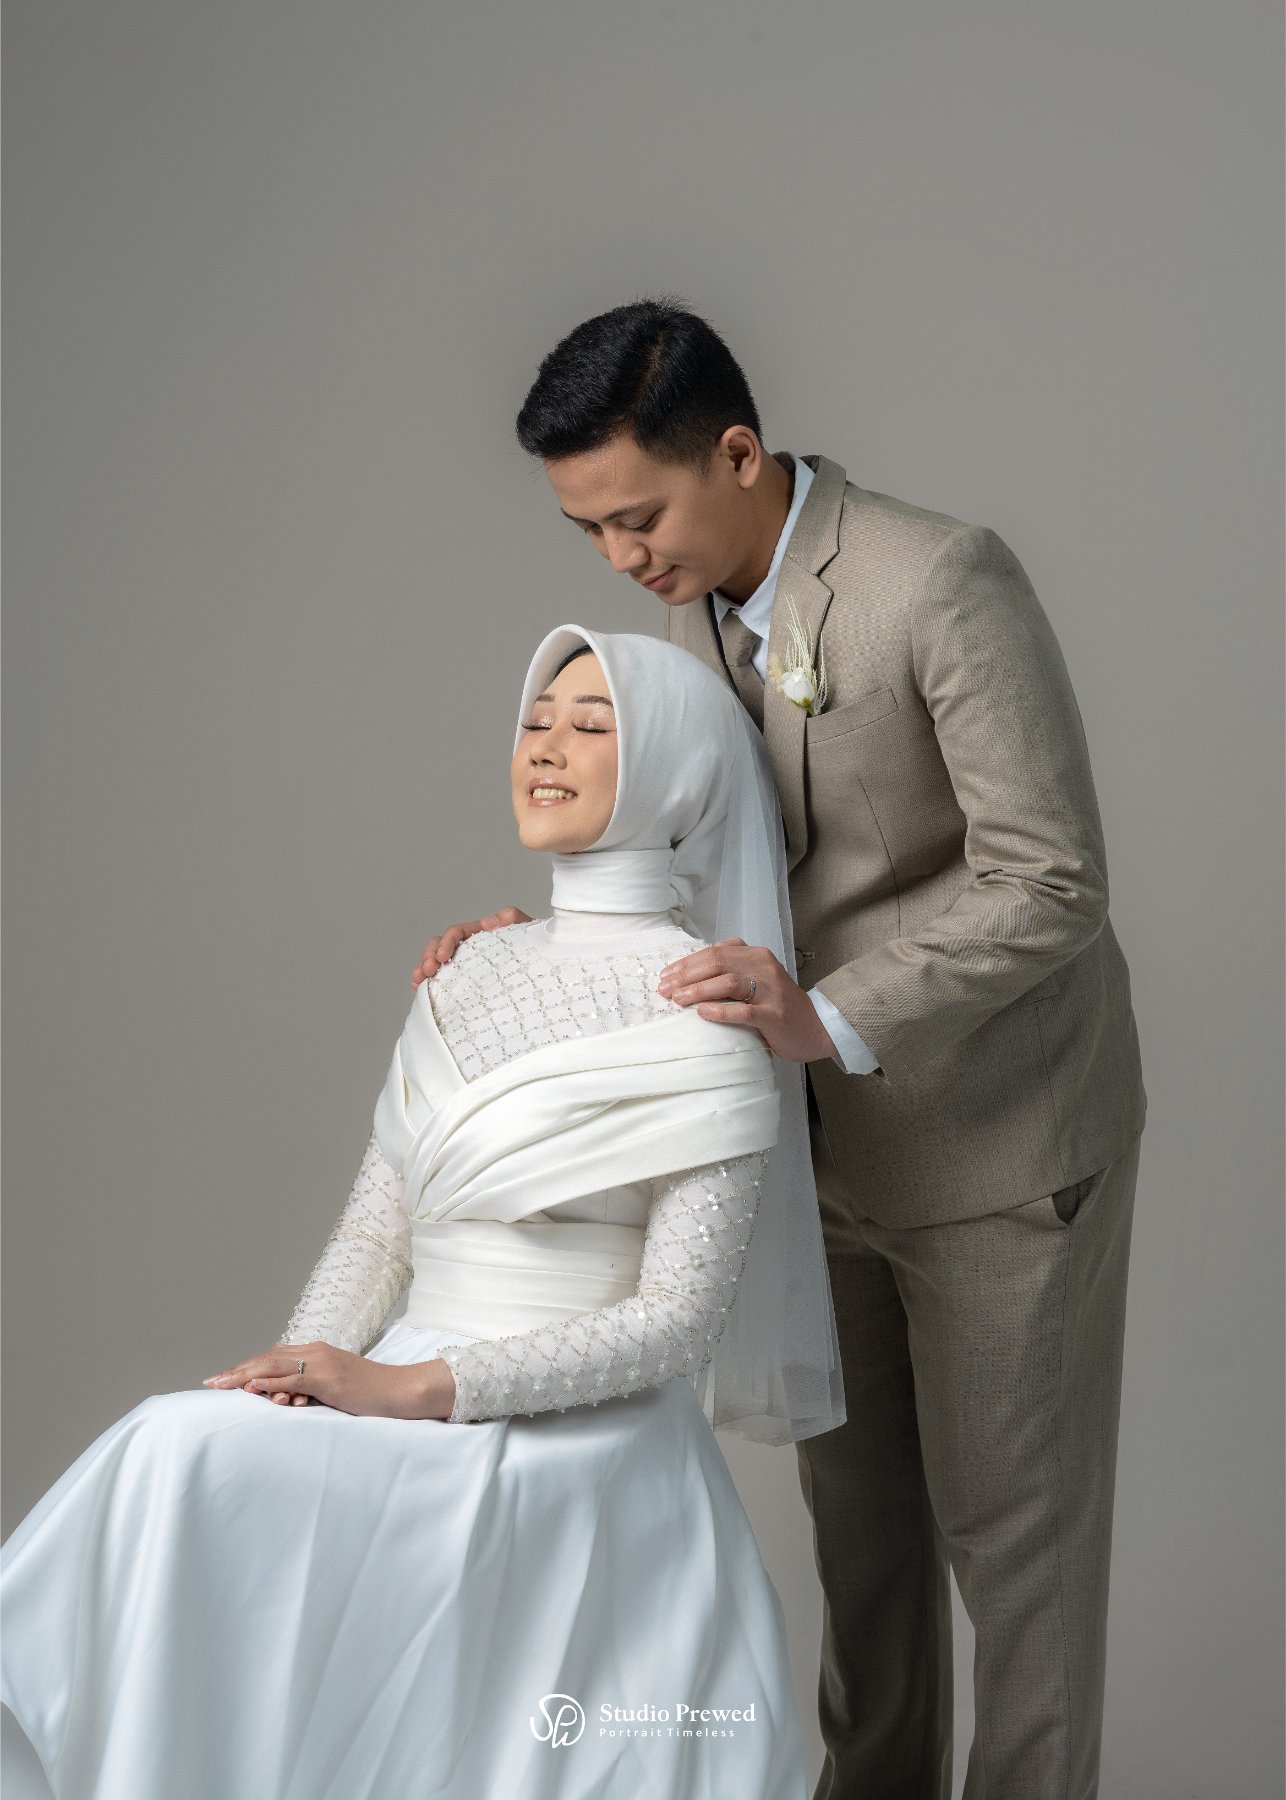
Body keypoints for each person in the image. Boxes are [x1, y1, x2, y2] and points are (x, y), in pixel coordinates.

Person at [414, 300, 1149, 1800]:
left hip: (999, 1147)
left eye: (636, 518)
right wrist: (531, 948)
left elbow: (1052, 879)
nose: (618, 559)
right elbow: (686, 858)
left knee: (1014, 1558)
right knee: (860, 1552)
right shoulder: (680, 614)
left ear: (738, 454)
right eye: (587, 531)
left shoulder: (936, 578)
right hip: (813, 1160)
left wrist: (832, 1016)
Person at [0, 626, 847, 1800]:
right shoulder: (471, 966)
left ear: (675, 772)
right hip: (394, 1378)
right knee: (177, 1453)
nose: (543, 748)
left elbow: (674, 1323)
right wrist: (305, 1371)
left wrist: (409, 1391)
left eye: (591, 726)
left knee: (170, 1457)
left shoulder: (709, 1005)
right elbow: (378, 1226)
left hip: (572, 1432)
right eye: (533, 721)